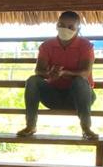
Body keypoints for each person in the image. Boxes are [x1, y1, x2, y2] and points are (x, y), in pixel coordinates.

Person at [17, 11, 98, 140]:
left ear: (78, 29)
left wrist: (65, 73)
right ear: (56, 25)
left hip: (79, 98)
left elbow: (85, 73)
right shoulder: (47, 46)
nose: (65, 29)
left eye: (70, 27)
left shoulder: (85, 46)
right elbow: (38, 70)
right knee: (32, 81)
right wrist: (49, 74)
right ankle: (30, 125)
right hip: (53, 96)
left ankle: (86, 128)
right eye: (61, 25)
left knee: (80, 81)